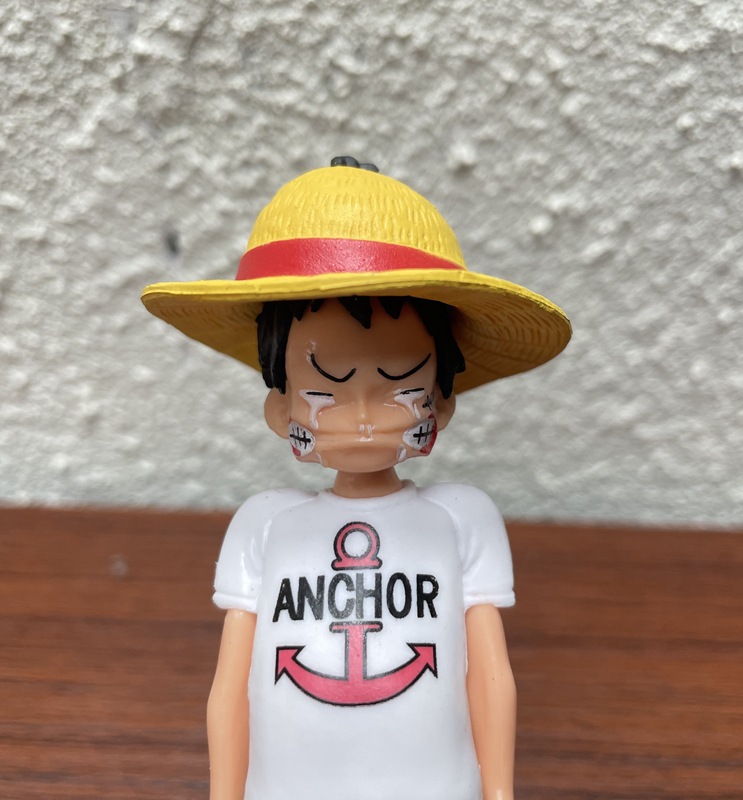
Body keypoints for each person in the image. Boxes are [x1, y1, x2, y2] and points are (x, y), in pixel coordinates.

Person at [141, 157, 571, 800]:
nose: (364, 418)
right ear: (281, 411)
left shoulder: (462, 518)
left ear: (441, 404)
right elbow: (231, 686)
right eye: (327, 391)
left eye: (400, 386)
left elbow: (489, 675)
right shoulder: (265, 523)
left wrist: (500, 792)